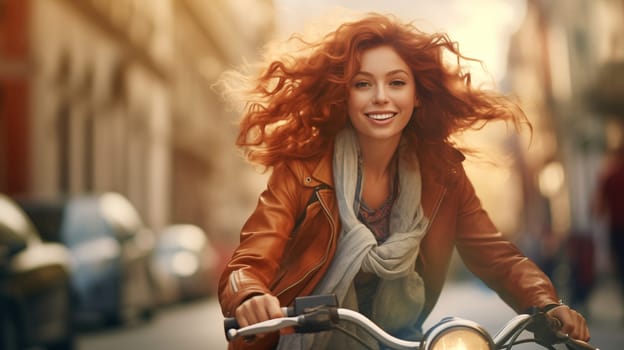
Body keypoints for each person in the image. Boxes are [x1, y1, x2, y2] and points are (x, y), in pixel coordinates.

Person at [217, 13, 590, 349]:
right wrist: (250, 296)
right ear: (342, 94)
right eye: (363, 84)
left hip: (399, 342)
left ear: (417, 95)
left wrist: (547, 305)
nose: (381, 97)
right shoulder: (302, 171)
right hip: (297, 341)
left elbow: (498, 257)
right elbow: (249, 261)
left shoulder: (443, 175)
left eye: (396, 83)